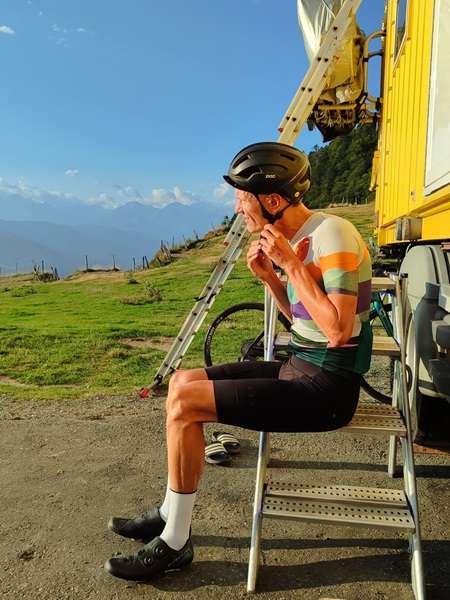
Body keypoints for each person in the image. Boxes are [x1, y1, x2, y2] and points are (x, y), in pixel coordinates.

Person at [104, 141, 372, 581]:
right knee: (181, 382)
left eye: (242, 198)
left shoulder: (332, 235)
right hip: (299, 365)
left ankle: (175, 542)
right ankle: (172, 511)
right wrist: (272, 277)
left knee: (186, 405)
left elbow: (339, 331)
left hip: (327, 389)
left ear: (272, 200)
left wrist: (292, 266)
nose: (237, 209)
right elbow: (301, 319)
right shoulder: (300, 239)